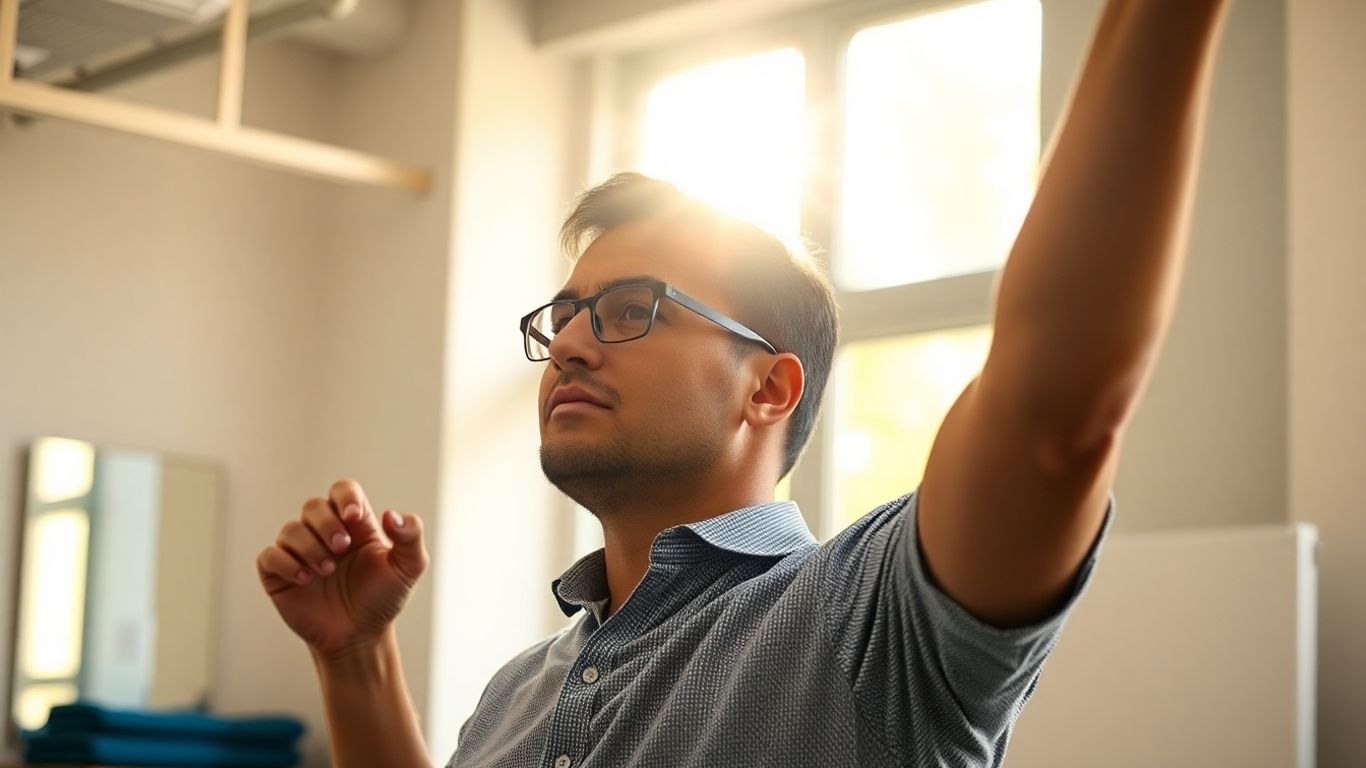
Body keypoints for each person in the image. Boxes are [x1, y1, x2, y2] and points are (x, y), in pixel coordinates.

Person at [256, 1, 1232, 765]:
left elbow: (1053, 410)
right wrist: (354, 658)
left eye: (630, 308)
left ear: (768, 387)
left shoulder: (868, 620)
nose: (571, 347)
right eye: (564, 316)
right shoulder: (520, 694)